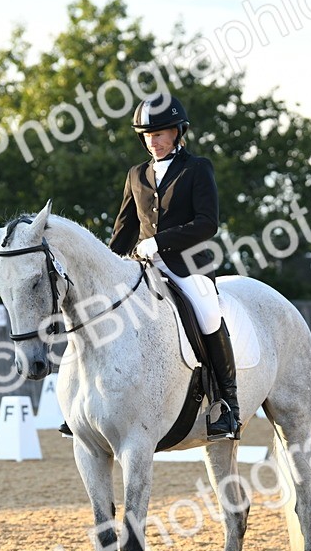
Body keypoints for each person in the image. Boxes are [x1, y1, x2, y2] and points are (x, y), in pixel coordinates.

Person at [60, 94, 240, 440]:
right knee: (95, 313)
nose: (153, 141)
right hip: (141, 268)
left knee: (207, 313)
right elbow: (124, 229)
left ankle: (226, 404)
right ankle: (80, 404)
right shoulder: (136, 174)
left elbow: (207, 224)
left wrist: (161, 241)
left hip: (187, 266)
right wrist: (104, 267)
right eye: (147, 135)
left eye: (159, 134)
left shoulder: (197, 168)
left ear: (177, 132)